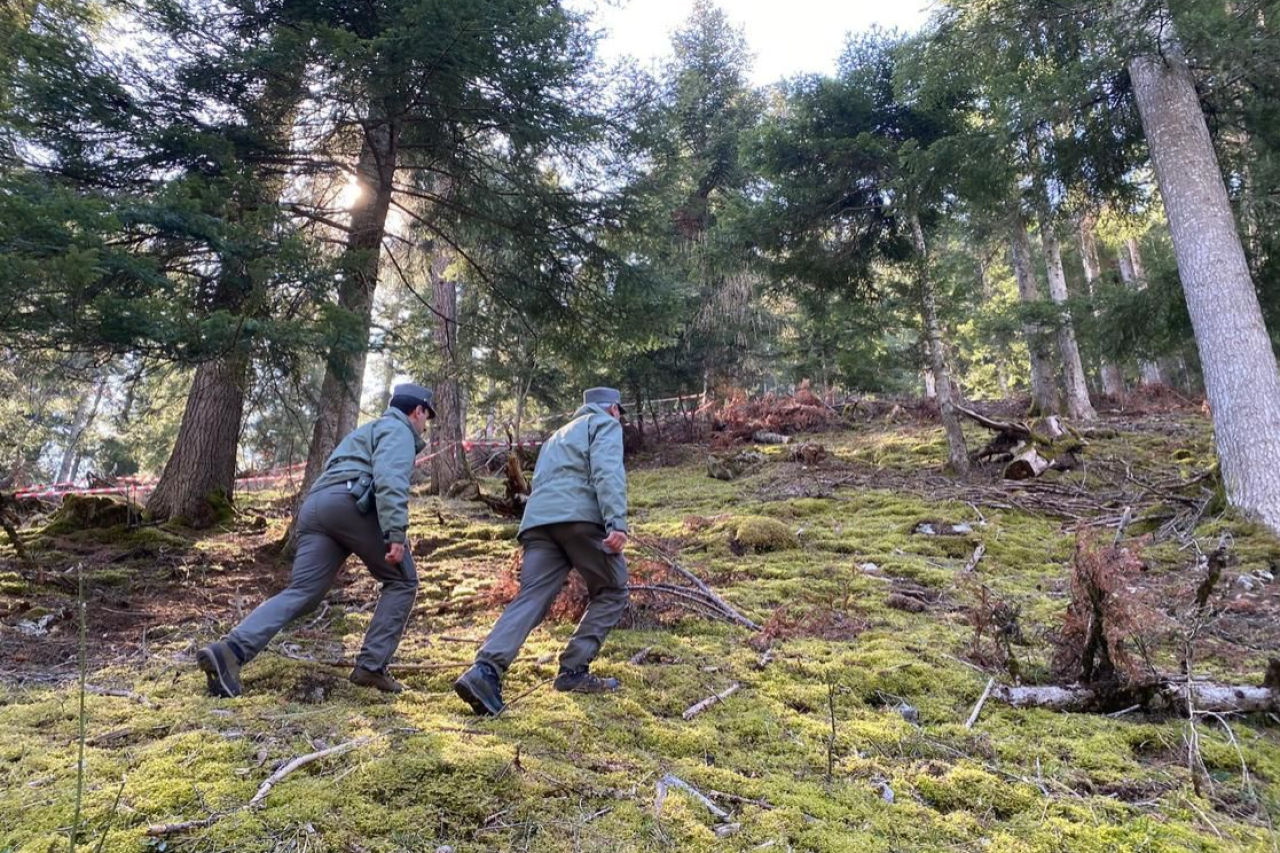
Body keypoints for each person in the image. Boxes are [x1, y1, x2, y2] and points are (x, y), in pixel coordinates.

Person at [196, 384, 435, 697]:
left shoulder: (367, 431)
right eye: (426, 418)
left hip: (316, 507)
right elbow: (390, 479)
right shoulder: (398, 431)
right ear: (417, 410)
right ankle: (371, 667)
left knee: (304, 593)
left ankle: (230, 651)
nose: (425, 425)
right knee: (403, 581)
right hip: (352, 504)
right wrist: (395, 532)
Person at [454, 386, 630, 716]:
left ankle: (485, 672)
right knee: (613, 588)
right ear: (613, 409)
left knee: (532, 596)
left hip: (539, 523)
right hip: (580, 520)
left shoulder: (556, 437)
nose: (619, 417)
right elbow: (608, 472)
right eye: (619, 412)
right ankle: (573, 671)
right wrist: (616, 522)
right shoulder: (604, 425)